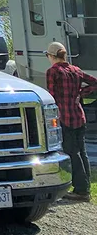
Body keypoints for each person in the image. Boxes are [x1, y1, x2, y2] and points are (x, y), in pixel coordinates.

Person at [46, 41, 96, 200]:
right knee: (82, 152)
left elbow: (52, 96)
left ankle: (81, 190)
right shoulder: (76, 70)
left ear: (52, 56)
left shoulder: (53, 72)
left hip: (64, 117)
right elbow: (95, 82)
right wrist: (81, 93)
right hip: (79, 116)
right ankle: (85, 186)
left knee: (72, 152)